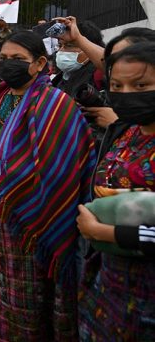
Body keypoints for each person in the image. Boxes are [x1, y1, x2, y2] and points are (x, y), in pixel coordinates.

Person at [0, 31, 96, 341]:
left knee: (25, 293)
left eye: (18, 60)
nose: (8, 66)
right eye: (3, 59)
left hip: (28, 219)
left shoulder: (54, 103)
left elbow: (61, 167)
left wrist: (15, 189)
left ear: (40, 63)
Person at [76, 42, 155, 341]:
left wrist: (104, 232)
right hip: (109, 287)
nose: (126, 94)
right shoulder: (127, 132)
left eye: (141, 84)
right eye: (117, 85)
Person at [52, 20, 105, 98]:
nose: (61, 51)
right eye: (60, 46)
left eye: (69, 46)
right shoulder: (57, 80)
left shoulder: (101, 75)